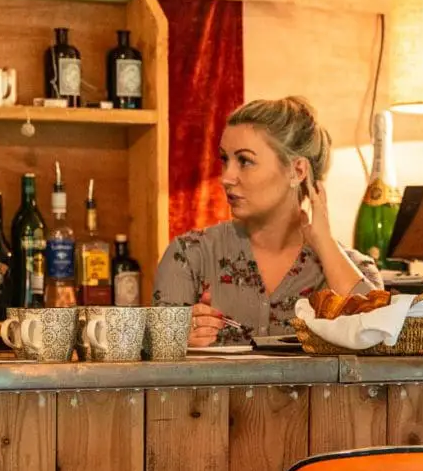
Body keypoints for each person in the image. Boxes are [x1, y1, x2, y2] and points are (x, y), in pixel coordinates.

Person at [153, 96, 375, 345]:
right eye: (225, 159)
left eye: (245, 161)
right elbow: (153, 367)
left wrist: (324, 242)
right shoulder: (190, 255)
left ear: (297, 171)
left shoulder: (352, 267)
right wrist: (179, 342)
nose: (227, 177)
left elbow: (379, 332)